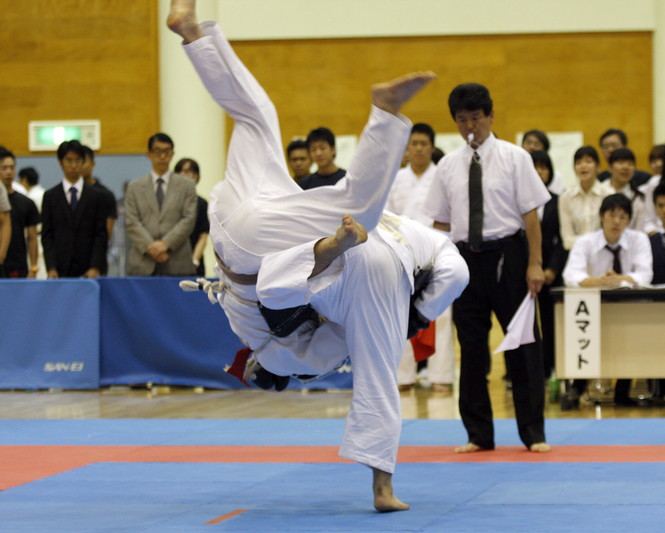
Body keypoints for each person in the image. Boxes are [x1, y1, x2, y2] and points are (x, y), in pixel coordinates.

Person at [167, 0, 447, 512]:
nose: (250, 369)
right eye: (254, 372)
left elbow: (279, 282)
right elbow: (374, 373)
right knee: (261, 121)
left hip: (251, 246)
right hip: (243, 215)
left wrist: (336, 248)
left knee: (350, 210)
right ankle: (194, 35)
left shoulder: (289, 350)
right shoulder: (302, 352)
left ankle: (384, 115)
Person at [424, 82, 551, 455]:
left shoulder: (515, 158)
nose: (469, 127)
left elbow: (531, 217)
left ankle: (534, 433)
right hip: (465, 262)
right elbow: (440, 226)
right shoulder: (447, 165)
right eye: (462, 120)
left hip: (509, 257)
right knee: (472, 349)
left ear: (490, 116)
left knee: (523, 348)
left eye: (475, 118)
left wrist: (535, 264)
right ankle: (478, 434)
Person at [562, 193, 653, 406]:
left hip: (630, 309)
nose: (617, 221)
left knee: (629, 338)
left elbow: (645, 275)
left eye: (623, 217)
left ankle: (623, 390)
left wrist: (619, 279)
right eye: (612, 215)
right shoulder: (585, 241)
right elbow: (570, 276)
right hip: (595, 308)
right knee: (585, 335)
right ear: (602, 216)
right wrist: (599, 281)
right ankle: (577, 388)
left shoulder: (639, 239)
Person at [388, 123, 456, 393]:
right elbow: (388, 218)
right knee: (400, 315)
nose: (418, 148)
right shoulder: (396, 179)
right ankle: (403, 376)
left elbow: (451, 215)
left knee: (441, 314)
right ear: (407, 148)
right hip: (403, 254)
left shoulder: (442, 176)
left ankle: (442, 375)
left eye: (423, 144)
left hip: (437, 250)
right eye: (413, 143)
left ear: (431, 147)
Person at [125, 132, 197, 276]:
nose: (162, 156)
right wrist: (151, 247)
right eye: (157, 151)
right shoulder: (135, 187)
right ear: (149, 154)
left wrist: (165, 244)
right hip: (142, 260)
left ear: (172, 154)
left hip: (177, 259)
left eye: (166, 151)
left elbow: (189, 219)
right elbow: (131, 222)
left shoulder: (186, 185)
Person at [41, 141, 108, 278]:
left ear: (83, 162)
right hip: (60, 268)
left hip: (88, 268)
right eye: (69, 160)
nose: (73, 165)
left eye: (78, 160)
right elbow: (47, 236)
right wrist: (51, 267)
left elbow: (101, 234)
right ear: (61, 162)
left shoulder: (96, 196)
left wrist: (95, 266)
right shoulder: (50, 196)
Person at [530, 150, 567, 379]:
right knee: (523, 323)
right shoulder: (518, 200)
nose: (539, 172)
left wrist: (552, 268)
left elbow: (563, 239)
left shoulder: (557, 201)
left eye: (544, 167)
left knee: (551, 322)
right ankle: (522, 372)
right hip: (525, 271)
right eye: (535, 167)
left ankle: (550, 367)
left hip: (551, 272)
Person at [559, 146, 608, 250]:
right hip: (576, 255)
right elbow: (567, 240)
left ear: (598, 167)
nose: (583, 166)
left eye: (588, 161)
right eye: (578, 163)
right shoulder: (566, 197)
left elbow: (610, 237)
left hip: (604, 253)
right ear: (574, 169)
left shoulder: (608, 195)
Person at [0, 148, 39, 278]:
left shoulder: (26, 203)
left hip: (17, 264)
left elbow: (32, 237)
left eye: (11, 167)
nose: (8, 172)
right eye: (4, 168)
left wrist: (33, 268)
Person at [81, 145, 117, 275]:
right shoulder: (64, 195)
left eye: (84, 160)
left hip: (96, 262)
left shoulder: (105, 195)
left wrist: (95, 264)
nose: (80, 165)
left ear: (92, 163)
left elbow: (106, 234)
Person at [174, 158, 209, 276]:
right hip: (171, 263)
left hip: (194, 262)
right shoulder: (169, 203)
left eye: (194, 172)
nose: (190, 176)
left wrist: (194, 261)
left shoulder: (202, 203)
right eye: (186, 171)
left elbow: (203, 237)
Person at [603, 148, 647, 231]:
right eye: (620, 163)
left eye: (630, 164)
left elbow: (639, 231)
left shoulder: (638, 198)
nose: (626, 167)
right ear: (609, 167)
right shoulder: (599, 192)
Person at [521, 129, 564, 194]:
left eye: (537, 144)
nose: (532, 147)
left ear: (545, 149)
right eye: (528, 143)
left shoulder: (555, 176)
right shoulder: (516, 171)